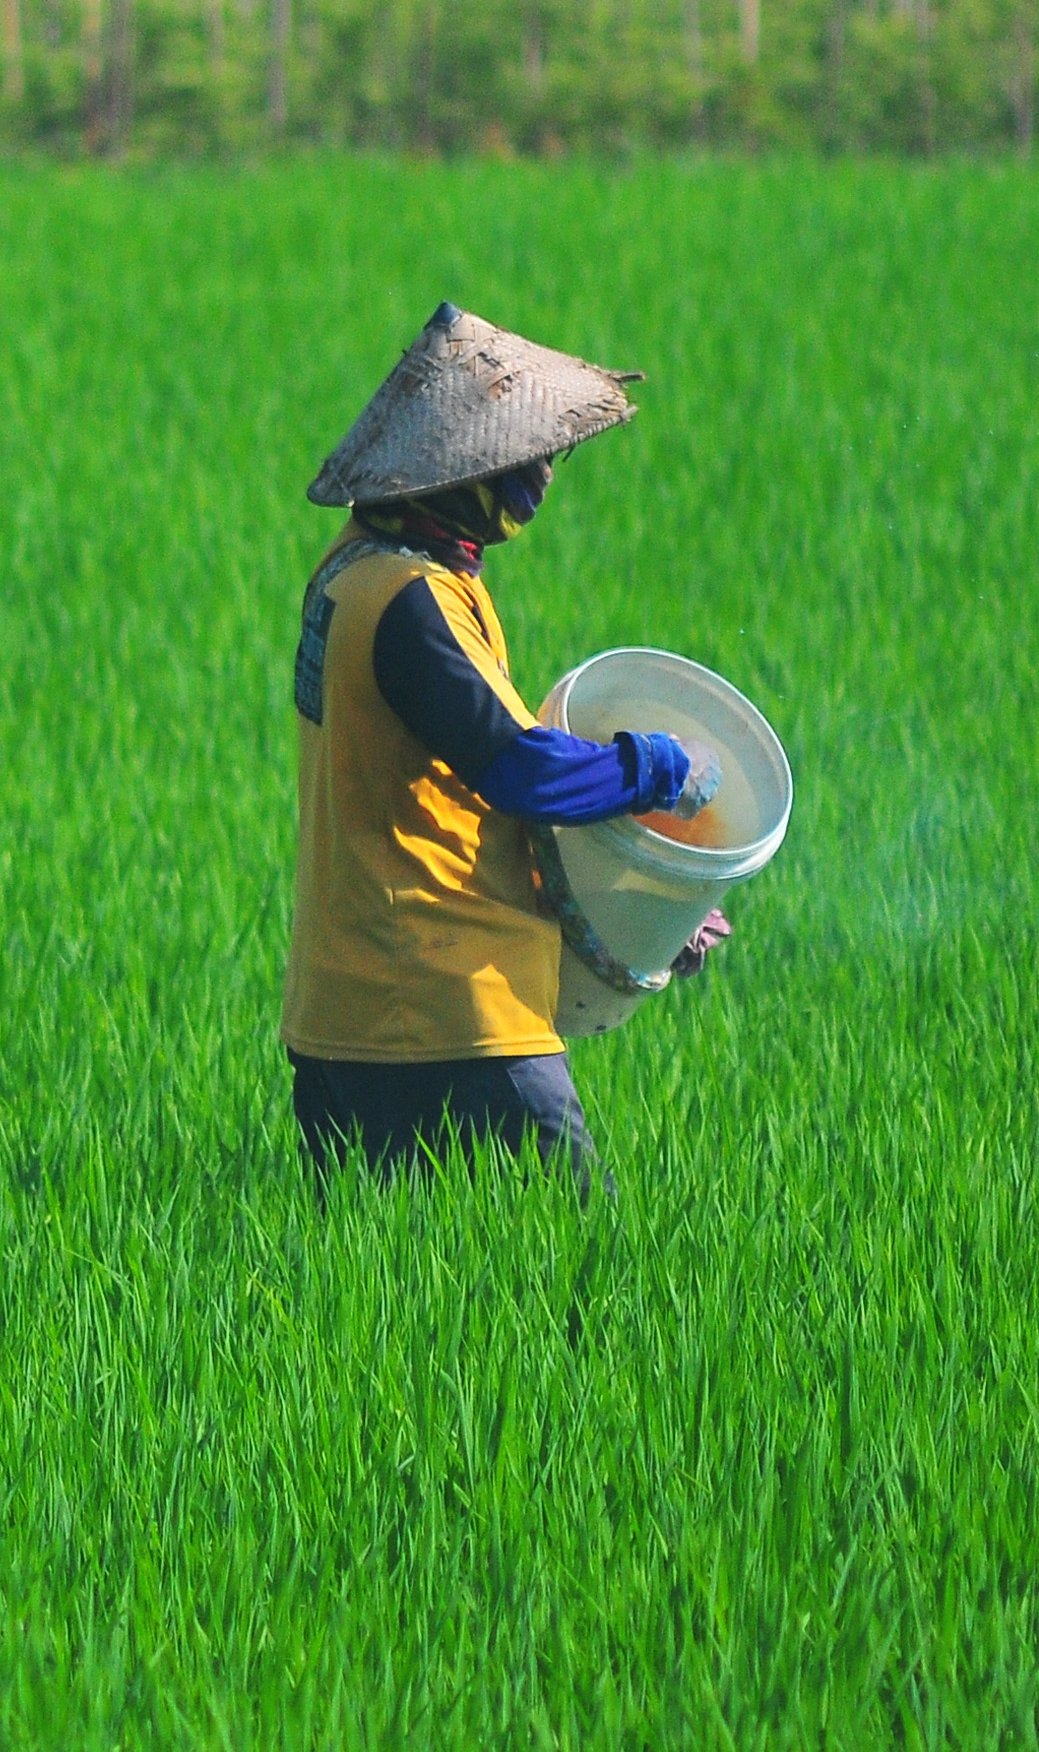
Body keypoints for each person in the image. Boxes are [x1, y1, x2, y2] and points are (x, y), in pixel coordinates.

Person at [283, 306, 730, 1185]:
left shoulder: (355, 569)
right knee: (578, 1282)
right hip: (448, 1018)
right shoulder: (411, 601)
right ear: (460, 468)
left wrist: (642, 921)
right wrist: (658, 770)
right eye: (526, 462)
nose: (541, 483)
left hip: (346, 1016)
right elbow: (523, 772)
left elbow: (456, 811)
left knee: (405, 1307)